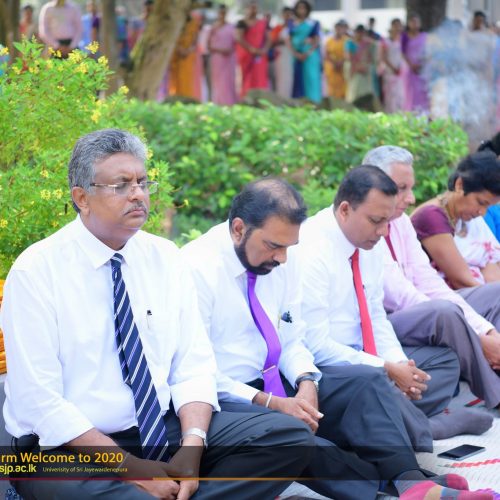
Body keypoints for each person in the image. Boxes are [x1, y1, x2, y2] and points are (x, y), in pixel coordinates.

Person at [0, 129, 315, 499]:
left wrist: (192, 447)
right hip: (63, 447)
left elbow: (193, 366)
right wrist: (133, 470)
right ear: (81, 198)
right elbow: (40, 401)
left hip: (157, 429)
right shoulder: (37, 271)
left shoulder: (165, 257)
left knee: (288, 437)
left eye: (142, 182)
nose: (138, 194)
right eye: (121, 185)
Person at [181, 178, 485, 500]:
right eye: (274, 246)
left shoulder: (284, 258)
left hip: (278, 380)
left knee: (366, 382)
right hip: (230, 396)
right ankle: (394, 489)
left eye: (288, 247)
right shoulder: (196, 268)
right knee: (291, 435)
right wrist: (272, 402)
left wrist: (306, 381)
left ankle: (408, 479)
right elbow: (197, 371)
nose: (283, 258)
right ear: (239, 229)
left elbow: (292, 338)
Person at [299, 165, 491, 453]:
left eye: (388, 221)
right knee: (372, 380)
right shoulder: (312, 249)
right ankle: (426, 429)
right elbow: (316, 347)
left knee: (444, 361)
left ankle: (400, 419)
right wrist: (385, 368)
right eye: (376, 221)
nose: (384, 231)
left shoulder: (371, 242)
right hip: (329, 368)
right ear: (345, 210)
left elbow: (375, 315)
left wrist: (399, 364)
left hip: (368, 357)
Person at [363, 145, 500, 409]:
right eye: (401, 188)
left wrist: (487, 330)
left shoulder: (401, 221)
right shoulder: (369, 223)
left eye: (410, 188)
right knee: (444, 311)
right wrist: (479, 338)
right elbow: (401, 295)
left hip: (422, 308)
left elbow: (428, 280)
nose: (411, 198)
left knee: (492, 295)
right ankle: (494, 392)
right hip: (388, 320)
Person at [411, 151, 500, 288]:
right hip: (446, 298)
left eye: (488, 206)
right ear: (460, 185)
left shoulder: (468, 218)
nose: (482, 213)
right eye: (481, 202)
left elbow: (490, 265)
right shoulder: (431, 217)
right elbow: (461, 281)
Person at [235, 1, 270, 98]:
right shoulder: (242, 23)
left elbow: (268, 38)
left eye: (255, 8)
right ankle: (246, 99)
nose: (253, 10)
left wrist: (264, 50)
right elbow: (238, 38)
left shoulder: (263, 23)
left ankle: (261, 99)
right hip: (246, 56)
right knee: (246, 79)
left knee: (260, 78)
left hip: (260, 56)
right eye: (251, 8)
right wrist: (251, 49)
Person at [290, 0, 322, 103]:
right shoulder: (292, 24)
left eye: (304, 8)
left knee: (311, 79)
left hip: (310, 56)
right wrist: (296, 54)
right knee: (298, 80)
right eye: (299, 8)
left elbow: (316, 41)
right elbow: (289, 40)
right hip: (297, 56)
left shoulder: (313, 23)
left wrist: (307, 53)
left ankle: (314, 103)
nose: (302, 10)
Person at [169, 11, 203, 100]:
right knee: (175, 82)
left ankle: (187, 100)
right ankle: (176, 100)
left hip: (188, 56)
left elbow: (195, 41)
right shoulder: (175, 21)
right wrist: (179, 49)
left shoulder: (194, 22)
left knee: (188, 80)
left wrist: (188, 51)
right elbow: (171, 38)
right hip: (176, 56)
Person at [208, 5, 237, 106]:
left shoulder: (231, 27)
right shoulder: (213, 27)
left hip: (228, 60)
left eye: (224, 13)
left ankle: (228, 103)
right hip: (216, 59)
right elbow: (208, 44)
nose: (222, 15)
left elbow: (233, 45)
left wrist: (222, 50)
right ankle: (217, 103)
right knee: (216, 82)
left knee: (227, 82)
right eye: (220, 12)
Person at [402, 14, 429, 113]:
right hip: (410, 70)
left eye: (416, 22)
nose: (415, 24)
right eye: (412, 22)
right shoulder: (404, 36)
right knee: (411, 93)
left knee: (423, 92)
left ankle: (424, 114)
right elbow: (403, 52)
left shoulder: (425, 36)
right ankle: (410, 113)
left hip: (423, 69)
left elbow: (428, 51)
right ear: (408, 23)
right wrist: (411, 65)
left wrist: (422, 63)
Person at [344, 24, 375, 105]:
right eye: (358, 32)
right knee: (354, 91)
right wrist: (357, 67)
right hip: (354, 69)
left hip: (365, 70)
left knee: (365, 92)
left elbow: (370, 57)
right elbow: (348, 58)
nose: (360, 35)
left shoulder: (367, 43)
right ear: (355, 32)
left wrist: (365, 66)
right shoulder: (350, 43)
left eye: (362, 33)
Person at [381, 18, 407, 113]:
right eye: (395, 26)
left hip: (402, 71)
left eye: (399, 26)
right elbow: (383, 57)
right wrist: (393, 68)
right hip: (390, 72)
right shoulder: (386, 41)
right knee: (391, 96)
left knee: (402, 95)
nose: (397, 28)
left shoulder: (404, 40)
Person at [270, 7, 294, 99]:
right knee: (281, 79)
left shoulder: (295, 27)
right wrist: (283, 41)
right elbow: (272, 41)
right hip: (281, 56)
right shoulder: (278, 28)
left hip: (293, 56)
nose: (288, 16)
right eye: (286, 14)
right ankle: (281, 99)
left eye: (290, 14)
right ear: (282, 15)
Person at [324, 19, 349, 100]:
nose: (339, 29)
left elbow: (348, 54)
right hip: (332, 68)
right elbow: (327, 54)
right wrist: (334, 63)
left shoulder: (347, 41)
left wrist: (341, 62)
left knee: (344, 90)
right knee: (332, 90)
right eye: (338, 27)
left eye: (342, 27)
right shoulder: (329, 41)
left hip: (342, 68)